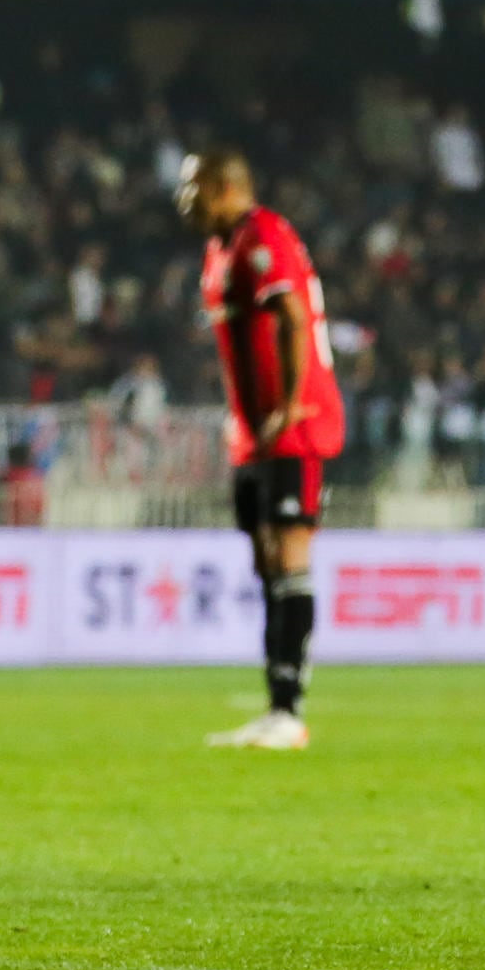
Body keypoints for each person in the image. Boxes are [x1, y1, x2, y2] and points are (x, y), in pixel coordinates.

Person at [178, 148, 345, 751]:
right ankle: (277, 706)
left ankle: (289, 711)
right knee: (266, 561)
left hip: (292, 424)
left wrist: (289, 404)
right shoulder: (221, 246)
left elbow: (293, 317)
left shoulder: (262, 234)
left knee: (288, 551)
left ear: (224, 187)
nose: (185, 200)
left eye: (192, 187)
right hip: (253, 432)